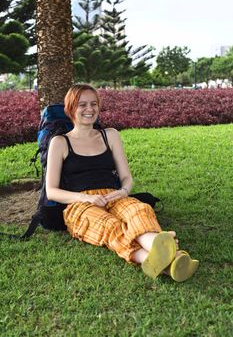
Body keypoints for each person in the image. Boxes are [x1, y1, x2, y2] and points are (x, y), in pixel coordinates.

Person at [46, 83, 199, 282]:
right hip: (79, 205)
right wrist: (86, 198)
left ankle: (159, 250)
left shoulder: (110, 135)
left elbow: (126, 177)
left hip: (113, 195)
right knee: (110, 226)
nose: (89, 109)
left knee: (139, 211)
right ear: (70, 108)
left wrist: (124, 191)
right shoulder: (59, 142)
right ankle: (169, 261)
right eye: (82, 104)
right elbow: (51, 191)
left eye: (94, 104)